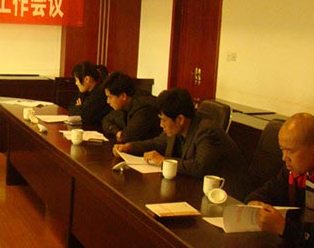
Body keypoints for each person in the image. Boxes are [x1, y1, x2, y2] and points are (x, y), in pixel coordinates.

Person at [114, 88, 249, 199]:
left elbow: (200, 167)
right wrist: (129, 147)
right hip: (194, 188)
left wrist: (164, 162)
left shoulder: (206, 130)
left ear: (180, 119)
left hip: (225, 195)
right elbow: (157, 143)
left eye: (164, 120)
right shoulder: (178, 128)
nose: (161, 125)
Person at [246, 113, 314, 248]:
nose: (284, 158)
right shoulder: (296, 167)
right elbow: (269, 190)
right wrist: (255, 203)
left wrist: (284, 227)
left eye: (290, 151)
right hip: (297, 246)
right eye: (282, 150)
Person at [100, 71, 161, 143]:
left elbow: (127, 137)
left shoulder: (143, 109)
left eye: (110, 97)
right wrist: (117, 132)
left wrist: (122, 135)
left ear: (123, 96)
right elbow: (106, 120)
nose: (108, 101)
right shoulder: (124, 105)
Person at [67, 61, 110, 130]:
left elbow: (84, 117)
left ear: (87, 79)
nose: (76, 83)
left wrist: (79, 107)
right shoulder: (84, 92)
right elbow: (70, 107)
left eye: (77, 80)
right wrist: (81, 108)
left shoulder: (100, 94)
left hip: (98, 131)